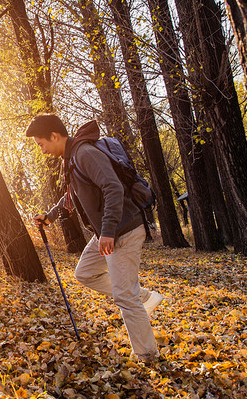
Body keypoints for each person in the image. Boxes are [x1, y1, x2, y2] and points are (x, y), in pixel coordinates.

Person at [28, 113, 164, 361]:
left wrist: (109, 231)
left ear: (55, 136)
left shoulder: (84, 153)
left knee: (124, 297)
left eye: (41, 144)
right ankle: (145, 297)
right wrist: (50, 216)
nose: (42, 150)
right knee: (85, 272)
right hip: (107, 231)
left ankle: (148, 355)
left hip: (123, 230)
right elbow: (72, 195)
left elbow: (113, 187)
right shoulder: (70, 158)